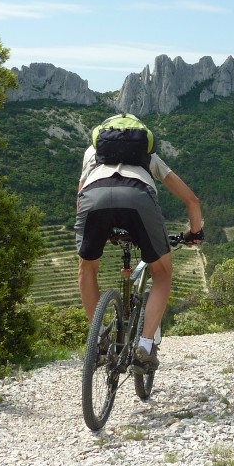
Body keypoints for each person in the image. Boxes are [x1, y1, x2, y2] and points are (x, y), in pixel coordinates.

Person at [75, 115, 203, 372]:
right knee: (162, 274)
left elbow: (80, 196)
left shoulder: (93, 152)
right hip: (138, 200)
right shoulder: (147, 155)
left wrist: (101, 230)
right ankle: (144, 347)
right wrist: (194, 233)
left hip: (93, 201)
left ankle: (99, 341)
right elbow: (192, 201)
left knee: (87, 269)